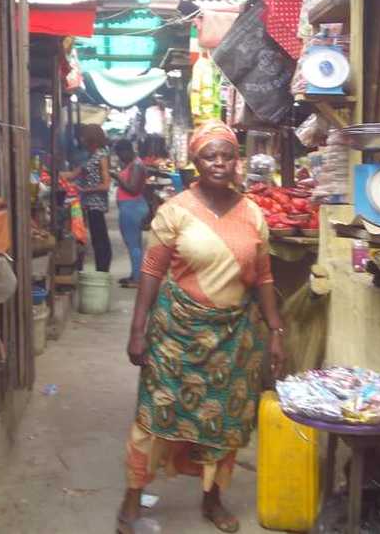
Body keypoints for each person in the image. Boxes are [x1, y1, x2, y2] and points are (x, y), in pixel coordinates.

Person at [117, 120, 286, 534]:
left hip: (234, 338)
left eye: (227, 155)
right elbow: (152, 270)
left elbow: (264, 276)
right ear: (196, 161)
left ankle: (213, 498)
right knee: (154, 415)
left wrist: (276, 331)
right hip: (176, 333)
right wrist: (138, 329)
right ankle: (133, 496)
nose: (219, 163)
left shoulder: (252, 213)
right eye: (210, 156)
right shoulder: (176, 210)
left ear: (236, 161)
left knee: (224, 421)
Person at [62, 124, 112, 273]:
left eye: (84, 136)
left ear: (91, 138)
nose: (82, 139)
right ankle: (101, 269)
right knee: (97, 238)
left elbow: (106, 185)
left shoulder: (101, 155)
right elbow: (73, 174)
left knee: (99, 238)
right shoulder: (91, 155)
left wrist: (85, 190)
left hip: (96, 203)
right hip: (89, 203)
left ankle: (102, 271)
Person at [111, 139, 149, 288]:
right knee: (134, 244)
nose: (120, 157)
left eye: (120, 154)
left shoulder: (137, 165)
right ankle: (135, 275)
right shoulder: (134, 164)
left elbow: (133, 189)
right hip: (131, 206)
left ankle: (137, 279)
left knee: (133, 244)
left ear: (126, 151)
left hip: (132, 207)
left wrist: (117, 177)